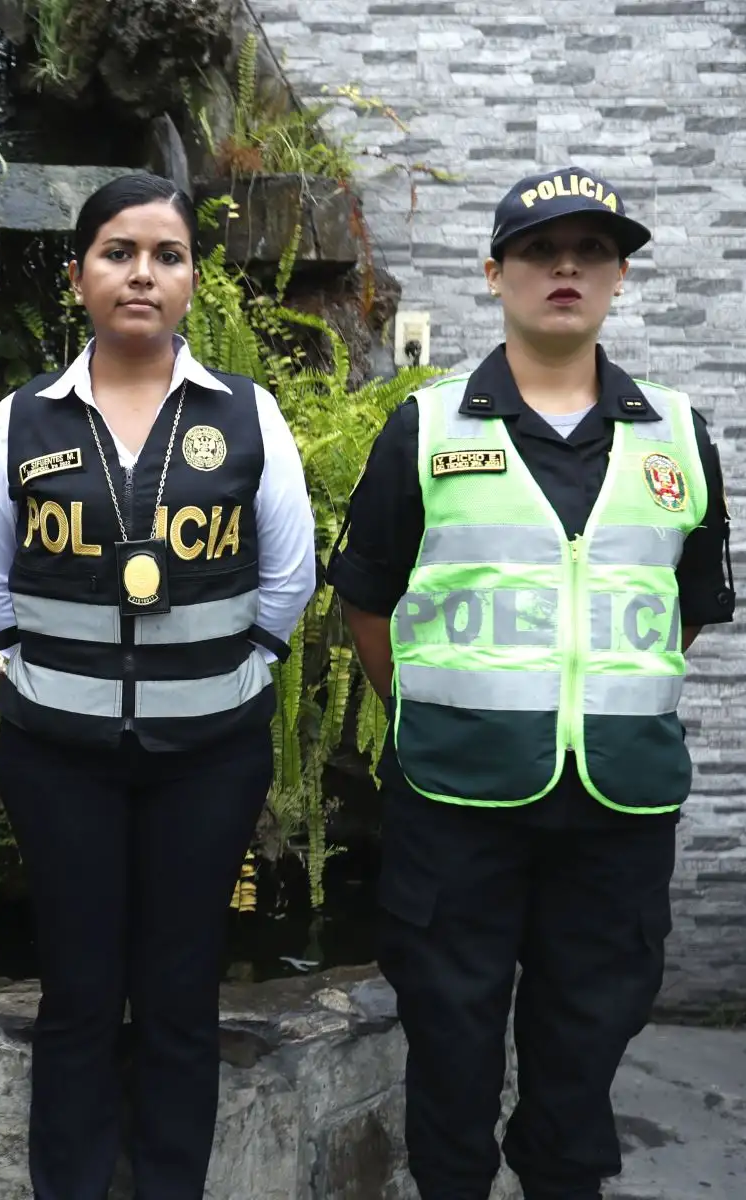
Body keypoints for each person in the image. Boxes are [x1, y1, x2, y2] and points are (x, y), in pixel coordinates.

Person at [328, 166, 734, 1200]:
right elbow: (365, 603)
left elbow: (685, 607)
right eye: (540, 248)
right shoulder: (424, 430)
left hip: (618, 809)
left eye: (591, 249)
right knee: (451, 1054)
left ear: (620, 276)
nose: (566, 266)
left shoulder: (680, 437)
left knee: (584, 1059)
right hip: (456, 805)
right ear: (496, 272)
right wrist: (439, 712)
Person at [0, 171, 317, 1200]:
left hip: (208, 760)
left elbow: (287, 575)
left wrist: (242, 676)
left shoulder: (247, 415)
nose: (141, 274)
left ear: (192, 282)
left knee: (177, 997)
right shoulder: (25, 418)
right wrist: (42, 677)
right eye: (119, 253)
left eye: (166, 255)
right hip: (59, 758)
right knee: (76, 993)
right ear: (78, 277)